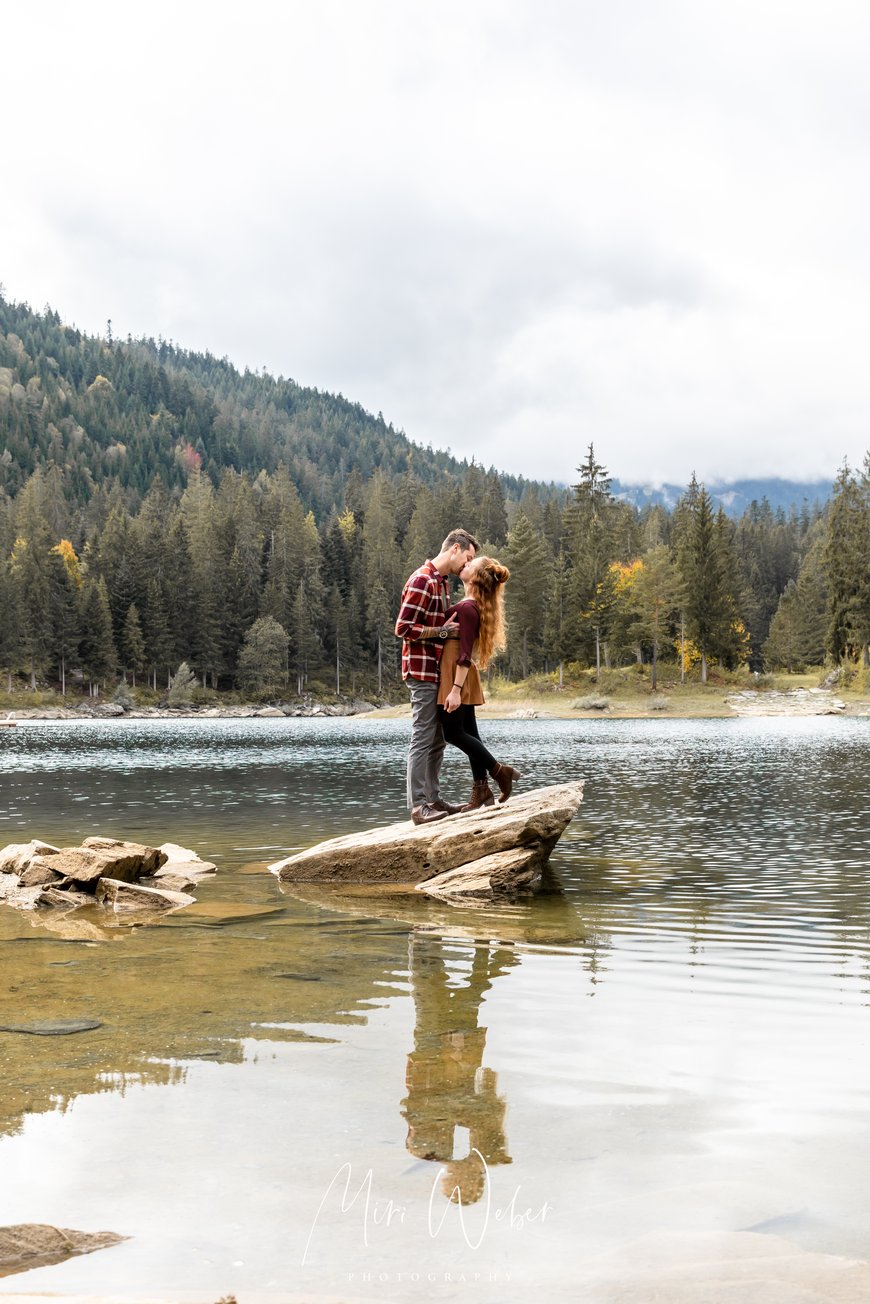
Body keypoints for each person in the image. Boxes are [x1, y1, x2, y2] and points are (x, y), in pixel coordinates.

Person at [395, 529, 479, 825]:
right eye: (467, 558)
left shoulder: (441, 583)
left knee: (439, 738)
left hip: (436, 669)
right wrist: (443, 632)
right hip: (419, 669)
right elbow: (403, 628)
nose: (466, 566)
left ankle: (433, 798)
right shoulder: (422, 579)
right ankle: (418, 807)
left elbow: (441, 624)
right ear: (455, 549)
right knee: (422, 735)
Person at [437, 555, 522, 809]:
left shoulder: (467, 608)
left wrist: (454, 690)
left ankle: (499, 772)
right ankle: (481, 791)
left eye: (471, 564)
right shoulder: (471, 605)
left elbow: (463, 654)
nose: (466, 564)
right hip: (460, 674)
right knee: (470, 733)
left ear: (477, 577)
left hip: (457, 675)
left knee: (452, 733)